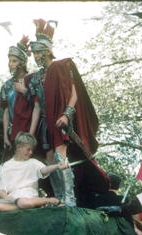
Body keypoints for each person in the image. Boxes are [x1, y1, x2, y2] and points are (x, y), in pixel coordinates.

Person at [28, 19, 108, 207]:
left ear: (47, 50)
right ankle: (58, 198)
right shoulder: (37, 77)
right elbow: (38, 106)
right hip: (45, 123)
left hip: (60, 119)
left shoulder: (61, 66)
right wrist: (31, 133)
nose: (35, 56)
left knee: (59, 156)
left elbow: (74, 94)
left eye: (38, 52)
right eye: (34, 53)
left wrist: (66, 114)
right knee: (48, 160)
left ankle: (69, 198)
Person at [0, 132, 64, 212]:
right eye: (28, 149)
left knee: (23, 202)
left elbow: (44, 170)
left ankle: (49, 200)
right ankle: (25, 207)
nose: (31, 152)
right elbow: (1, 190)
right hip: (13, 200)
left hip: (29, 197)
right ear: (18, 147)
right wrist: (8, 199)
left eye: (32, 150)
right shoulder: (4, 166)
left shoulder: (33, 162)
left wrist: (57, 166)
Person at [0, 35, 34, 149]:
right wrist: (5, 137)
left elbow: (38, 106)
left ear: (23, 63)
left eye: (14, 61)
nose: (10, 64)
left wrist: (24, 91)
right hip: (12, 133)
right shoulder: (7, 86)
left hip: (29, 132)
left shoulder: (32, 81)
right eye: (9, 61)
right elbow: (6, 112)